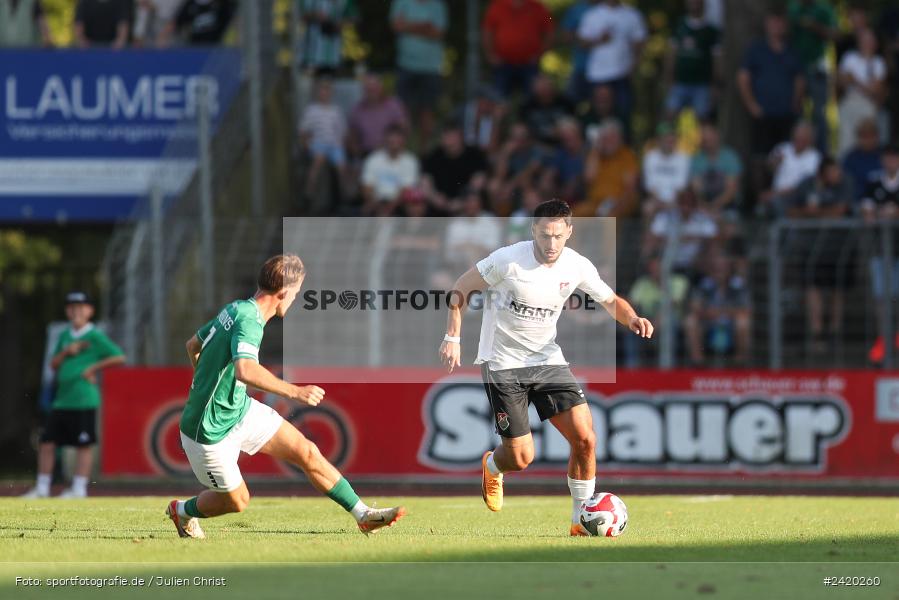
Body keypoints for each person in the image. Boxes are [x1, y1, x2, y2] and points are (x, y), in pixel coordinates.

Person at [438, 199, 653, 536]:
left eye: (557, 236)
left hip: (546, 359)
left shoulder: (576, 265)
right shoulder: (507, 260)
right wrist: (453, 337)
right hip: (503, 363)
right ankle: (493, 466)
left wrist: (633, 317)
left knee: (585, 439)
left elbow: (610, 300)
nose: (550, 244)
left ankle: (579, 522)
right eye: (543, 236)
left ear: (569, 232)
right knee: (522, 458)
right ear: (533, 231)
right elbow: (461, 289)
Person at [166, 255, 405, 538]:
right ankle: (181, 511)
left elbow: (193, 344)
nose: (296, 298)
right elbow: (245, 370)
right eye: (296, 292)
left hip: (238, 410)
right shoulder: (249, 321)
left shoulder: (237, 308)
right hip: (207, 431)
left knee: (306, 451)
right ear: (282, 293)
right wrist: (295, 391)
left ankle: (363, 515)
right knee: (237, 501)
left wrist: (207, 382)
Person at [21, 292, 126, 499]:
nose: (76, 311)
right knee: (47, 441)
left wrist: (93, 368)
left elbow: (118, 357)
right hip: (62, 399)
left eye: (81, 306)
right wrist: (67, 351)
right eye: (72, 307)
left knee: (83, 444)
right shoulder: (65, 336)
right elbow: (53, 364)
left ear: (89, 311)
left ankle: (79, 488)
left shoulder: (94, 336)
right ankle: (42, 487)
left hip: (84, 398)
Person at [738, 10, 805, 156]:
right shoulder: (756, 49)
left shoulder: (792, 51)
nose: (777, 27)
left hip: (786, 114)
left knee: (786, 156)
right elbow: (743, 78)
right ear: (766, 25)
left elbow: (799, 79)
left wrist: (796, 103)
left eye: (780, 23)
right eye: (773, 23)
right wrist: (752, 106)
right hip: (763, 114)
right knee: (760, 156)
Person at [578, 0, 647, 131]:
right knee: (595, 116)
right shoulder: (592, 15)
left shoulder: (632, 15)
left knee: (623, 116)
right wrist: (599, 39)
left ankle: (624, 148)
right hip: (597, 75)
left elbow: (640, 44)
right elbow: (581, 43)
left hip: (622, 75)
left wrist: (634, 67)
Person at [390, 0, 447, 146]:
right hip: (405, 65)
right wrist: (424, 26)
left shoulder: (438, 5)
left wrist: (408, 25)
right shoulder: (401, 2)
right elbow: (396, 26)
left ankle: (424, 152)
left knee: (427, 111)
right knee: (401, 112)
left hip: (431, 67)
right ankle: (402, 149)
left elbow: (438, 33)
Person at [861, 145, 899, 364]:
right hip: (880, 249)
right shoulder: (874, 181)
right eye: (888, 157)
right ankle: (884, 339)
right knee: (881, 298)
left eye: (894, 156)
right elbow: (867, 210)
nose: (891, 160)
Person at [787, 0, 837, 153]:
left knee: (819, 114)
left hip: (817, 68)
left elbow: (834, 35)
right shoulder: (792, 7)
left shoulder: (824, 8)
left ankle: (821, 152)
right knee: (796, 110)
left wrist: (814, 26)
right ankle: (796, 151)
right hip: (794, 70)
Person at [482, 0, 554, 99]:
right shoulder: (497, 6)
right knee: (498, 97)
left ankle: (528, 114)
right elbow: (487, 31)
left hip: (529, 63)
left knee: (532, 98)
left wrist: (540, 54)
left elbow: (549, 30)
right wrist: (490, 55)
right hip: (503, 63)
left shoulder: (538, 7)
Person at [664, 0, 721, 120]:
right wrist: (669, 78)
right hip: (679, 82)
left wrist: (715, 84)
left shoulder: (711, 31)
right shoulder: (679, 26)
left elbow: (717, 59)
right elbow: (671, 54)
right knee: (670, 117)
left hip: (702, 84)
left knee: (700, 120)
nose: (694, 3)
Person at [837, 28, 887, 158]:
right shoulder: (849, 58)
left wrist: (855, 80)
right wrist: (865, 86)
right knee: (846, 141)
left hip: (868, 105)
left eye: (870, 40)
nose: (867, 43)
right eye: (864, 40)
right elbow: (842, 81)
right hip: (849, 102)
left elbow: (876, 89)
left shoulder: (878, 62)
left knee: (867, 140)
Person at [298, 78, 348, 200]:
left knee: (341, 165)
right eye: (322, 91)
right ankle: (309, 191)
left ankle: (343, 193)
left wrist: (340, 143)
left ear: (331, 93)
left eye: (327, 91)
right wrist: (305, 144)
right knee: (318, 160)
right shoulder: (312, 110)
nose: (324, 94)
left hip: (334, 144)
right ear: (317, 93)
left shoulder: (336, 111)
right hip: (318, 143)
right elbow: (303, 129)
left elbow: (341, 130)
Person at [360, 124, 420, 216]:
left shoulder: (410, 161)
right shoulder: (373, 159)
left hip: (399, 204)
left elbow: (406, 191)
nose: (394, 143)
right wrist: (377, 205)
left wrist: (389, 209)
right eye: (392, 139)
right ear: (385, 140)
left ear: (403, 141)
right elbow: (367, 187)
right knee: (364, 210)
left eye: (397, 139)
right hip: (376, 202)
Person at [348, 74, 409, 157]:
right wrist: (356, 153)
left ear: (381, 87)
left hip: (391, 151)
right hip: (366, 153)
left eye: (375, 87)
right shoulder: (358, 110)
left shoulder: (394, 104)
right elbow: (353, 134)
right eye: (368, 88)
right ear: (364, 90)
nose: (372, 90)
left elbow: (404, 128)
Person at [641, 121, 691, 219]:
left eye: (672, 137)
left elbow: (681, 186)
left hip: (677, 201)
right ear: (658, 139)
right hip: (655, 200)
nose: (670, 140)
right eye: (666, 137)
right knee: (647, 208)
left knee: (685, 208)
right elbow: (650, 185)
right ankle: (649, 234)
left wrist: (672, 203)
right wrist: (659, 202)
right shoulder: (650, 157)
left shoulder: (683, 158)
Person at [300, 0, 357, 74]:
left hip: (334, 54)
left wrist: (340, 24)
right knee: (310, 78)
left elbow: (354, 17)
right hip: (311, 54)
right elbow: (298, 15)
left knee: (329, 80)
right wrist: (315, 15)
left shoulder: (344, 2)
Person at [166, 0, 236, 45]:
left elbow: (233, 21)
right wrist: (163, 38)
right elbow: (177, 22)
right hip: (196, 48)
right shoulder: (190, 4)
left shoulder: (222, 3)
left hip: (217, 48)